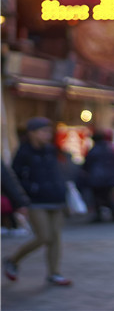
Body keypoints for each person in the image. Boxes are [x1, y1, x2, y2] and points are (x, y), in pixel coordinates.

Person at [4, 117, 72, 286]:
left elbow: (58, 172)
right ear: (32, 133)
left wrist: (63, 193)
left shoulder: (51, 150)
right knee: (44, 236)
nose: (47, 135)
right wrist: (23, 197)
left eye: (48, 131)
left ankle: (54, 273)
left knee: (55, 237)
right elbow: (14, 177)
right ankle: (13, 260)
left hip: (55, 197)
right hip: (35, 200)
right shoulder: (23, 152)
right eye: (43, 131)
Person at [83, 130, 114, 223]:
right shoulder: (110, 148)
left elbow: (87, 164)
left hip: (97, 177)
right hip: (109, 176)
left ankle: (99, 214)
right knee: (107, 196)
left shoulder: (94, 150)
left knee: (97, 197)